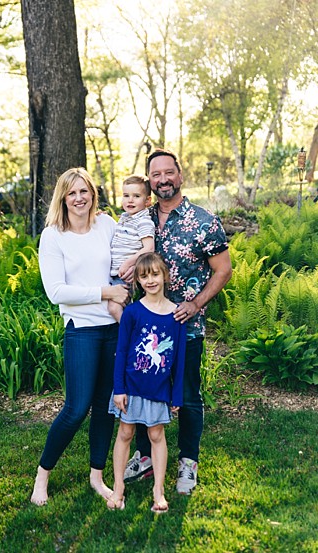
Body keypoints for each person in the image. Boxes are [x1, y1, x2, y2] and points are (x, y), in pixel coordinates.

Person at [122, 148, 232, 495]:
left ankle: (187, 462)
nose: (163, 180)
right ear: (149, 180)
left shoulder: (204, 221)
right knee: (142, 389)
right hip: (145, 328)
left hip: (186, 327)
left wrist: (197, 303)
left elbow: (223, 269)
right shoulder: (140, 218)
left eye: (169, 173)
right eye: (156, 175)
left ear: (180, 175)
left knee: (186, 394)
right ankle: (144, 455)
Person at [30, 168, 130, 505]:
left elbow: (126, 259)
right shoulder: (53, 236)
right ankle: (42, 475)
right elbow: (57, 291)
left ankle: (96, 477)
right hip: (82, 331)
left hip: (114, 329)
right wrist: (106, 292)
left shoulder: (107, 225)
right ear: (63, 197)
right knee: (75, 408)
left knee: (105, 408)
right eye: (72, 193)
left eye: (84, 191)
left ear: (92, 194)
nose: (79, 198)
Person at [107, 252, 186, 513]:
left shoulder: (176, 316)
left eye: (155, 274)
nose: (150, 280)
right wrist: (119, 388)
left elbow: (179, 360)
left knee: (156, 434)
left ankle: (158, 490)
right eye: (144, 276)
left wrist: (176, 396)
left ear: (165, 275)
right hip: (131, 386)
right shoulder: (132, 313)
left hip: (158, 388)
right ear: (138, 282)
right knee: (126, 433)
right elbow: (121, 353)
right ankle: (118, 488)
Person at [107, 175, 155, 322]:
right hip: (116, 275)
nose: (130, 200)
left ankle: (131, 334)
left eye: (136, 196)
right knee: (124, 308)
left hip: (126, 275)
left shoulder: (143, 221)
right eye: (126, 195)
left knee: (114, 308)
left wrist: (129, 263)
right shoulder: (125, 218)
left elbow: (149, 248)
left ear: (147, 201)